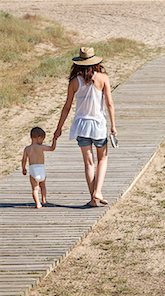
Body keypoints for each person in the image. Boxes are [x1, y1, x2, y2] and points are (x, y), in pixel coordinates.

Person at [54, 47, 117, 207]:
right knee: (103, 158)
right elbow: (109, 103)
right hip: (98, 125)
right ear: (95, 62)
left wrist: (59, 128)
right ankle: (98, 191)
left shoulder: (74, 81)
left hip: (81, 125)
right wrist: (113, 126)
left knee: (88, 163)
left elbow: (67, 107)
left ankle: (93, 198)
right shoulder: (103, 78)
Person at [22, 127, 57, 209]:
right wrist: (54, 140)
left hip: (33, 169)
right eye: (42, 139)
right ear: (39, 138)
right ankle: (44, 200)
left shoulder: (27, 149)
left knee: (35, 188)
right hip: (41, 169)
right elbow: (52, 148)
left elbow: (23, 160)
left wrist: (23, 168)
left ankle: (38, 203)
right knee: (43, 186)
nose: (42, 142)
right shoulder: (41, 147)